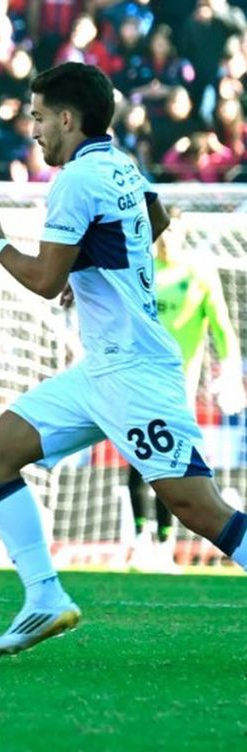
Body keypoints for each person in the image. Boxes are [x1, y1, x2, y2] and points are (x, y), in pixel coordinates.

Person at [0, 62, 247, 658]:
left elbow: (43, 281)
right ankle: (44, 598)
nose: (34, 130)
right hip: (101, 369)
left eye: (40, 117)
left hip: (135, 372)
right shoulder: (121, 163)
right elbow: (155, 218)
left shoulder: (74, 180)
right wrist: (87, 266)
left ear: (68, 119)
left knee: (198, 507)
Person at [128, 208, 246, 571]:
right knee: (136, 459)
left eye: (171, 231)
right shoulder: (141, 271)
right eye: (160, 231)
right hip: (138, 383)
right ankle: (141, 540)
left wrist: (231, 372)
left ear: (183, 234)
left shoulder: (198, 274)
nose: (165, 238)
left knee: (169, 467)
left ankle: (165, 544)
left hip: (178, 392)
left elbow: (223, 328)